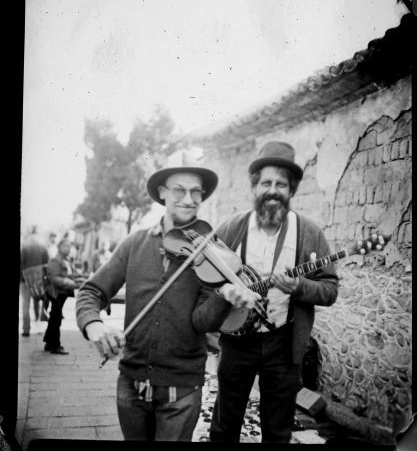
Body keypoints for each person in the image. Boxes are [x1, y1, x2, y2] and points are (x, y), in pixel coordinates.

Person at [75, 153, 256, 442]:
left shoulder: (210, 255)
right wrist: (94, 326)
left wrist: (224, 297)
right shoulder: (136, 243)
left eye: (196, 191)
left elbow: (201, 323)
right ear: (162, 193)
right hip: (131, 386)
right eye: (179, 190)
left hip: (181, 391)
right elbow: (91, 291)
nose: (189, 199)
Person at [209, 141, 339, 443]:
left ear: (291, 190)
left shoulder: (309, 232)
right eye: (266, 182)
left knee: (278, 432)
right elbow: (207, 279)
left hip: (283, 344)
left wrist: (300, 287)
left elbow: (330, 290)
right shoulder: (231, 228)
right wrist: (228, 291)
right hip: (236, 343)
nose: (272, 189)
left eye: (281, 184)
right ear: (255, 187)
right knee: (224, 426)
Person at [44, 238, 81, 354]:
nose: (69, 249)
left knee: (54, 317)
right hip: (56, 293)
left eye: (69, 247)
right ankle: (55, 346)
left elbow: (69, 275)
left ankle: (49, 343)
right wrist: (73, 284)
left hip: (61, 293)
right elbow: (55, 279)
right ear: (60, 247)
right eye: (66, 246)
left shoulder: (64, 260)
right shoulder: (55, 260)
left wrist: (77, 279)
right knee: (56, 318)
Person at [20, 225, 49, 336]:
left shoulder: (24, 245)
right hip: (39, 280)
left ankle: (26, 329)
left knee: (25, 304)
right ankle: (39, 327)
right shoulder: (42, 245)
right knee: (39, 302)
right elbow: (48, 262)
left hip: (25, 280)